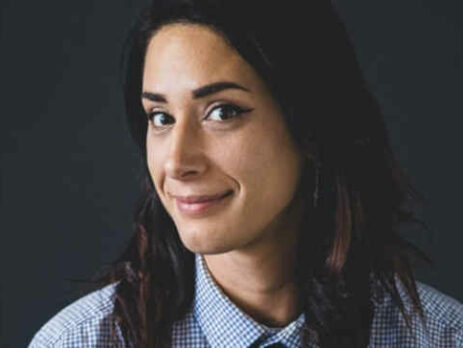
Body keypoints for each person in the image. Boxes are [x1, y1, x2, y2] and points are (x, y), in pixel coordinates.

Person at [28, 0, 463, 347]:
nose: (177, 162)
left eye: (222, 112)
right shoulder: (81, 341)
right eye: (160, 117)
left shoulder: (440, 337)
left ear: (310, 125)